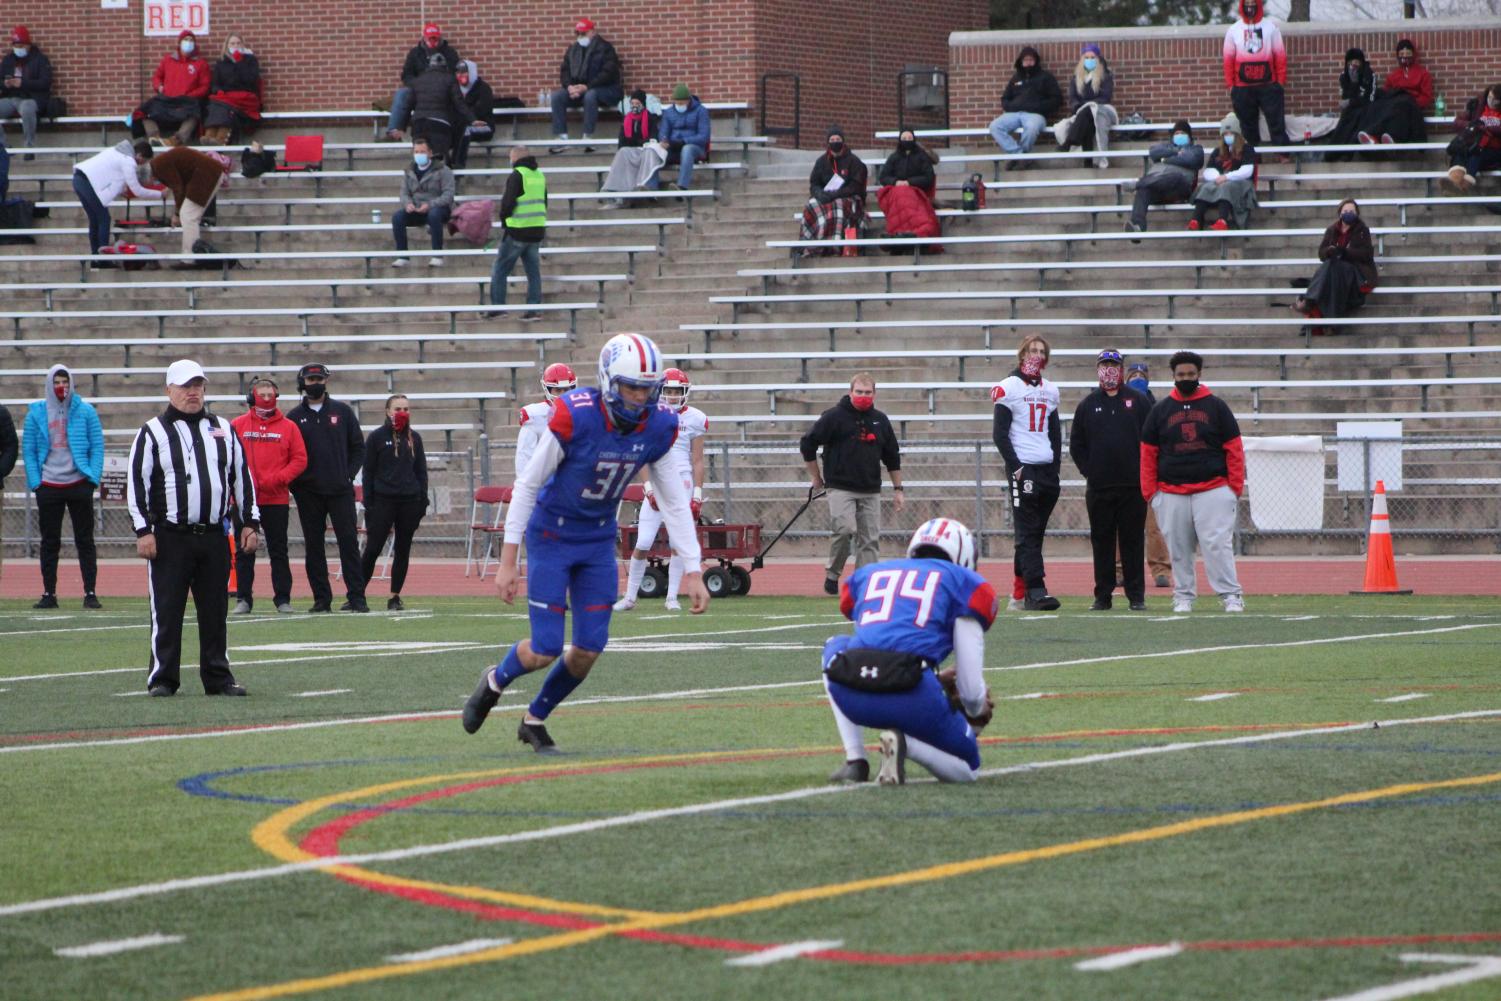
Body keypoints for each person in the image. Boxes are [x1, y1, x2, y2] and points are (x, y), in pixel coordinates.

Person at [461, 333, 709, 752]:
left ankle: (534, 719)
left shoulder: (661, 424)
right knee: (544, 647)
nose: (639, 397)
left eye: (648, 388)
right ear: (610, 381)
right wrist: (508, 559)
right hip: (552, 535)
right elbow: (527, 485)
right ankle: (495, 680)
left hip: (595, 539)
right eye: (631, 386)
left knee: (590, 647)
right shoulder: (577, 415)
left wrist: (695, 568)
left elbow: (674, 501)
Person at [823, 518, 996, 786]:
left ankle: (855, 758)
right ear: (964, 557)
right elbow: (971, 692)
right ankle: (906, 744)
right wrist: (976, 710)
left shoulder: (871, 573)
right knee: (968, 768)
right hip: (912, 698)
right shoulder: (963, 583)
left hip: (850, 691)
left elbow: (882, 642)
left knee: (834, 645)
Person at [127, 360, 260, 696]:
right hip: (171, 536)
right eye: (186, 386)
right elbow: (137, 485)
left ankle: (218, 677)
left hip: (215, 534)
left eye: (198, 385)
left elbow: (241, 479)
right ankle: (163, 678)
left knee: (215, 611)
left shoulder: (223, 429)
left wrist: (249, 523)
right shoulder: (152, 432)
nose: (193, 392)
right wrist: (143, 530)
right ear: (169, 390)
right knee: (168, 611)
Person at [1140, 350, 1245, 614]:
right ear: (1173, 376)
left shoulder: (1217, 406)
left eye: (1190, 374)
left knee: (1217, 545)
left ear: (1199, 375)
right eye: (1180, 375)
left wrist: (1234, 487)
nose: (1185, 378)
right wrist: (1151, 493)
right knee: (1178, 548)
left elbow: (1233, 448)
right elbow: (1148, 453)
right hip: (1171, 491)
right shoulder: (1160, 410)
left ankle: (1230, 595)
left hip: (1213, 488)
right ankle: (1183, 595)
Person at [800, 373, 904, 596]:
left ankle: (863, 582)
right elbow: (808, 443)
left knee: (869, 539)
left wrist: (898, 489)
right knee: (844, 530)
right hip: (840, 486)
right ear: (850, 392)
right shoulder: (834, 417)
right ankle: (833, 573)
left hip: (870, 488)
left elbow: (892, 456)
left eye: (868, 393)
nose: (863, 396)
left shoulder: (880, 420)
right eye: (859, 392)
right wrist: (816, 476)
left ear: (874, 394)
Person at [616, 368, 707, 612]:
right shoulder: (648, 415)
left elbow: (698, 460)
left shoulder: (695, 418)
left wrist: (697, 494)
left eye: (678, 391)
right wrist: (647, 488)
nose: (674, 396)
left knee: (678, 541)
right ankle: (630, 597)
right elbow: (642, 456)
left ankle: (671, 597)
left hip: (683, 481)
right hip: (656, 480)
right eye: (669, 391)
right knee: (644, 540)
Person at [1069, 349, 1150, 612]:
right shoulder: (1087, 404)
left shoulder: (1138, 401)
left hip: (1132, 486)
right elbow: (1077, 445)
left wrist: (1144, 472)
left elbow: (1151, 439)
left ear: (1122, 368)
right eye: (1105, 364)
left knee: (1133, 542)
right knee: (1102, 542)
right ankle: (1102, 595)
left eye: (1114, 364)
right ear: (1098, 369)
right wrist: (1090, 471)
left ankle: (1136, 595)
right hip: (1099, 487)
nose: (1109, 369)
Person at [286, 363, 368, 613]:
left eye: (319, 378)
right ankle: (321, 599)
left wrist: (347, 475)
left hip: (340, 490)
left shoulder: (342, 412)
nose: (315, 383)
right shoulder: (293, 417)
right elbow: (287, 453)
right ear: (303, 383)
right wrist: (296, 484)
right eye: (310, 379)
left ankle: (357, 597)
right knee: (314, 546)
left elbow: (358, 447)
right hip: (308, 492)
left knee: (348, 544)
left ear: (326, 381)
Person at [22, 364, 103, 610]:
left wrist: (92, 478)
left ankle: (90, 592)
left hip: (79, 483)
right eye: (56, 382)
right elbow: (29, 450)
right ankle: (49, 593)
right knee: (49, 541)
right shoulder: (36, 413)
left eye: (65, 382)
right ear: (49, 383)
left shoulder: (86, 411)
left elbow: (97, 446)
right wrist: (37, 483)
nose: (61, 387)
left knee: (85, 540)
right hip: (49, 485)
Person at [991, 334, 1061, 612]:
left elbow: (1054, 433)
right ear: (1022, 353)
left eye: (1041, 351)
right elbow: (999, 434)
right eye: (1032, 350)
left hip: (1046, 468)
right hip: (1024, 467)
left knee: (1034, 533)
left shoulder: (1051, 390)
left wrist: (1055, 468)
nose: (1036, 355)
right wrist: (1017, 468)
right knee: (1028, 532)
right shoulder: (1008, 387)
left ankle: (1018, 595)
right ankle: (1036, 590)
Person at [230, 377, 306, 614]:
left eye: (269, 393)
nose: (265, 398)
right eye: (260, 393)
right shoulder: (237, 425)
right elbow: (227, 457)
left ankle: (283, 598)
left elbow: (300, 459)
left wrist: (279, 478)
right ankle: (243, 598)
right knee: (244, 550)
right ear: (251, 397)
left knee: (278, 550)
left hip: (276, 498)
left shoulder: (289, 427)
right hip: (245, 500)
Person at [360, 395, 429, 612]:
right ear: (387, 411)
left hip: (409, 501)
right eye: (398, 408)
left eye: (406, 408)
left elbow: (421, 471)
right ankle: (357, 593)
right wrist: (369, 503)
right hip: (383, 500)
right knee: (373, 548)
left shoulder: (414, 438)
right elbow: (368, 472)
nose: (402, 412)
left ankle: (394, 596)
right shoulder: (376, 438)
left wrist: (422, 501)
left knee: (403, 549)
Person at [73, 139, 161, 259]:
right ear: (139, 155)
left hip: (79, 179)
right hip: (88, 184)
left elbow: (111, 175)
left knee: (95, 220)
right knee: (104, 219)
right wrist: (160, 194)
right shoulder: (128, 161)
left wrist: (120, 191)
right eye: (143, 161)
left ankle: (95, 256)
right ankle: (102, 258)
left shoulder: (116, 151)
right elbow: (137, 190)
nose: (141, 164)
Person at [1125, 360, 1172, 588]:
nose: (1137, 379)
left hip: (1151, 473)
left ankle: (1160, 569)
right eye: (1133, 375)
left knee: (1155, 526)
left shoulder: (1158, 409)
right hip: (1124, 473)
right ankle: (1118, 570)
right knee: (1121, 526)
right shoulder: (1116, 405)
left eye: (1141, 375)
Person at [1295, 198, 1376, 324]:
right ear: (1340, 213)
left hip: (1354, 270)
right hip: (1335, 270)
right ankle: (1330, 324)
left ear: (1357, 213)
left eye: (1351, 211)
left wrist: (1344, 252)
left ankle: (1309, 300)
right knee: (1330, 266)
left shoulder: (1362, 230)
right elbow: (1321, 253)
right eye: (1345, 210)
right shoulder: (1332, 230)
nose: (1348, 213)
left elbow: (1366, 254)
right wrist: (1330, 251)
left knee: (1331, 268)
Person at [488, 145, 546, 320]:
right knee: (533, 273)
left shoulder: (517, 175)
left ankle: (498, 307)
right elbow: (545, 201)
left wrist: (504, 219)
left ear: (514, 158)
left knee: (500, 269)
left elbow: (508, 202)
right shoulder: (539, 175)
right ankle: (533, 308)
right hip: (536, 231)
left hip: (517, 231)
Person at [549, 17, 622, 151]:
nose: (580, 36)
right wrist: (570, 86)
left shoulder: (605, 48)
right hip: (581, 90)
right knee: (557, 97)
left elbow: (608, 73)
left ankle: (588, 136)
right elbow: (565, 71)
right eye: (578, 33)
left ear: (592, 32)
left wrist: (587, 86)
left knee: (590, 95)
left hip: (606, 90)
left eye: (583, 33)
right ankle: (562, 137)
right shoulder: (573, 50)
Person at [1223, 0, 1289, 146]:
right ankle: (1252, 157)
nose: (1250, 6)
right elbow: (1228, 60)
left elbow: (1280, 56)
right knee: (1247, 126)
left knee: (1276, 122)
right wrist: (1231, 86)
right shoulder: (1234, 30)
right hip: (1242, 87)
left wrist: (1280, 82)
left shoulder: (1270, 27)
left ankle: (1283, 155)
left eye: (1253, 3)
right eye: (1247, 3)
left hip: (1269, 85)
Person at [1123, 119, 1202, 239]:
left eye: (1183, 133)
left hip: (1181, 187)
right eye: (1176, 134)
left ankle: (1138, 183)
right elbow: (1153, 152)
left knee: (1174, 176)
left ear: (1189, 136)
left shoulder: (1196, 149)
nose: (1179, 136)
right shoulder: (1166, 147)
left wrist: (1165, 159)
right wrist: (1176, 152)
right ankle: (1137, 227)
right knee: (1144, 190)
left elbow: (1190, 159)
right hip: (1160, 188)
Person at [149, 143, 229, 261]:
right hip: (206, 172)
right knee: (188, 216)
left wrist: (176, 214)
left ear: (149, 177)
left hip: (206, 174)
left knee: (188, 216)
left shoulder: (159, 166)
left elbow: (178, 188)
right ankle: (190, 256)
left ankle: (190, 257)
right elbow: (178, 179)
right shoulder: (159, 163)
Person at [385, 22, 460, 143]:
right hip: (419, 90)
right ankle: (394, 131)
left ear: (439, 37)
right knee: (402, 94)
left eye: (435, 38)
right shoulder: (415, 53)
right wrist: (418, 84)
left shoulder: (449, 53)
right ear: (424, 38)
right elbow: (406, 75)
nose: (432, 42)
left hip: (442, 89)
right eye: (430, 39)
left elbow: (455, 74)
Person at [799, 126, 868, 257]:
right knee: (811, 205)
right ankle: (812, 247)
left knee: (838, 207)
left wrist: (835, 194)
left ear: (843, 141)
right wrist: (820, 194)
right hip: (825, 196)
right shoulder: (821, 161)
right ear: (828, 142)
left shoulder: (854, 161)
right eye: (832, 139)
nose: (835, 141)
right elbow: (814, 183)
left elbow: (856, 187)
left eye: (838, 139)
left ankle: (834, 246)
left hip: (847, 197)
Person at [137, 30, 210, 146]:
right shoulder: (168, 60)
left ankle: (177, 140)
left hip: (187, 101)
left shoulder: (200, 64)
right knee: (145, 110)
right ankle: (154, 137)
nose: (188, 42)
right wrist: (159, 87)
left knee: (195, 114)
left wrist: (190, 95)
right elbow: (157, 76)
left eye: (191, 40)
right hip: (167, 100)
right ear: (180, 42)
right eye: (186, 40)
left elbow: (205, 86)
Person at [391, 136, 455, 268]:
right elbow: (404, 193)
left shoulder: (443, 170)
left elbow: (448, 195)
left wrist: (431, 205)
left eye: (422, 152)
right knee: (397, 217)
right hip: (416, 208)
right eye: (416, 152)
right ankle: (402, 256)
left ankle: (437, 255)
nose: (419, 155)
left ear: (430, 153)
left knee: (434, 215)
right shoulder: (409, 171)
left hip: (438, 208)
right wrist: (408, 204)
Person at [988, 46, 1061, 158]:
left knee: (1031, 128)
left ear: (1036, 61)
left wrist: (1039, 107)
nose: (1028, 63)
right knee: (995, 126)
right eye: (1025, 60)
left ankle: (1020, 158)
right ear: (1021, 62)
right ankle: (1019, 155)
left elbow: (1056, 99)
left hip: (1035, 115)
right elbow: (1005, 98)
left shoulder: (1046, 77)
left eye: (1031, 60)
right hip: (1014, 114)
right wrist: (1012, 106)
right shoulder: (1016, 78)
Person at [1053, 43, 1116, 169]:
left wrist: (1088, 104)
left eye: (1092, 57)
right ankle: (1088, 162)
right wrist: (1080, 106)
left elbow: (1105, 97)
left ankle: (1069, 142)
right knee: (1087, 120)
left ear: (1097, 59)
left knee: (1089, 112)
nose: (1089, 60)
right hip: (1083, 113)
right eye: (1086, 57)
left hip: (1101, 110)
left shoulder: (1106, 76)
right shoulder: (1076, 78)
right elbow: (1073, 98)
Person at [1358, 39, 1431, 146]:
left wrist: (1410, 101)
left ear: (1413, 54)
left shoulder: (1423, 74)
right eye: (1401, 54)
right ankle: (1374, 136)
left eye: (1408, 53)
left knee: (1402, 103)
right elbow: (1386, 94)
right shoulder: (1393, 76)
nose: (1404, 57)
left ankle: (1386, 135)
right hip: (1396, 106)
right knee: (1379, 104)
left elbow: (1426, 98)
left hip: (1412, 107)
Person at [877, 129, 940, 248]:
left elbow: (928, 178)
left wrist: (909, 182)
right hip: (896, 192)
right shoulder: (894, 157)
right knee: (899, 195)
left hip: (917, 192)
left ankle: (911, 233)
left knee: (907, 200)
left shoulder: (922, 157)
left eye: (909, 138)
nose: (907, 141)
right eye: (904, 139)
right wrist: (896, 182)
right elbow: (883, 177)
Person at [1190, 120, 1257, 231]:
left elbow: (1247, 171)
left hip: (1241, 183)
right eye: (1225, 134)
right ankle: (1195, 220)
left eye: (1231, 133)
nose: (1228, 136)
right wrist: (1217, 177)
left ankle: (1222, 220)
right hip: (1220, 181)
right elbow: (1209, 170)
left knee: (1226, 187)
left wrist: (1227, 177)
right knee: (1206, 187)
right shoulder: (1217, 151)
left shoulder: (1247, 149)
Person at [599, 89, 663, 206]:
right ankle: (613, 189)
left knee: (650, 152)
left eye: (637, 104)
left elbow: (653, 138)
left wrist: (637, 141)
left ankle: (646, 186)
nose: (634, 107)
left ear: (643, 104)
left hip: (645, 150)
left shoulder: (650, 118)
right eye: (632, 104)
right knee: (622, 152)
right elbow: (623, 141)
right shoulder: (626, 120)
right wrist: (635, 141)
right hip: (632, 150)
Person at [516, 363, 578, 477]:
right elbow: (524, 458)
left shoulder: (581, 412)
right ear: (547, 389)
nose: (563, 395)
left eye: (566, 390)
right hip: (545, 481)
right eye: (558, 390)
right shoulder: (535, 416)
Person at [202, 33, 263, 146]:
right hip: (226, 95)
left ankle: (220, 139)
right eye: (232, 43)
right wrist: (218, 90)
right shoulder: (221, 62)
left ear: (243, 45)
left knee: (226, 108)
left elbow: (250, 80)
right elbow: (215, 82)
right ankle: (209, 135)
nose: (235, 46)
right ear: (227, 45)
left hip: (245, 96)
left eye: (238, 43)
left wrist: (239, 62)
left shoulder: (250, 60)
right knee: (217, 105)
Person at [409, 52, 469, 164]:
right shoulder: (450, 80)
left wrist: (399, 126)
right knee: (438, 160)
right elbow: (459, 104)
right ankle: (453, 168)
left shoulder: (417, 81)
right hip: (440, 125)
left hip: (418, 125)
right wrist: (472, 119)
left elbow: (408, 104)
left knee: (421, 161)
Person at [0, 26, 51, 155]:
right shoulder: (8, 60)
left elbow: (45, 83)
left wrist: (23, 83)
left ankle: (29, 147)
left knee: (27, 108)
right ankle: (4, 146)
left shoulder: (40, 60)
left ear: (28, 45)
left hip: (32, 98)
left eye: (21, 45)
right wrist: (5, 84)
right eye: (16, 45)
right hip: (12, 97)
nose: (18, 48)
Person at [1444, 84, 1501, 194]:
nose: (1491, 101)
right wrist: (1472, 125)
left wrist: (1486, 128)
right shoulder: (1478, 107)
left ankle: (1463, 186)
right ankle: (1454, 181)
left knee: (1476, 154)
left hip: (1494, 150)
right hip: (1474, 144)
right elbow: (1457, 122)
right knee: (1460, 151)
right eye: (1489, 97)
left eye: (1495, 100)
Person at [657, 83, 710, 191]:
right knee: (654, 151)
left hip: (695, 148)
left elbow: (704, 136)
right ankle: (651, 187)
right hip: (673, 147)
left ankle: (682, 186)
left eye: (681, 103)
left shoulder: (701, 111)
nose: (679, 105)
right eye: (677, 103)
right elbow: (663, 131)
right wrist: (664, 140)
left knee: (687, 149)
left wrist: (684, 141)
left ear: (688, 100)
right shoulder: (668, 112)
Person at [1323, 48, 1376, 154]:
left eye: (1357, 62)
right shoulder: (1344, 76)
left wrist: (1356, 85)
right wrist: (1352, 84)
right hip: (1350, 109)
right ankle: (1333, 152)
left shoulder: (1369, 74)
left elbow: (1368, 98)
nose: (1354, 65)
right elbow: (1345, 98)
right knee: (1345, 120)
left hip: (1365, 109)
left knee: (1358, 117)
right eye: (1351, 62)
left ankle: (1350, 151)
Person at [453, 60, 495, 169]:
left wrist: (465, 115)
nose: (461, 75)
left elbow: (480, 110)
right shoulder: (455, 89)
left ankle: (458, 165)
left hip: (484, 127)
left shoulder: (483, 88)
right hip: (461, 126)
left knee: (465, 131)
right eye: (458, 72)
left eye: (464, 72)